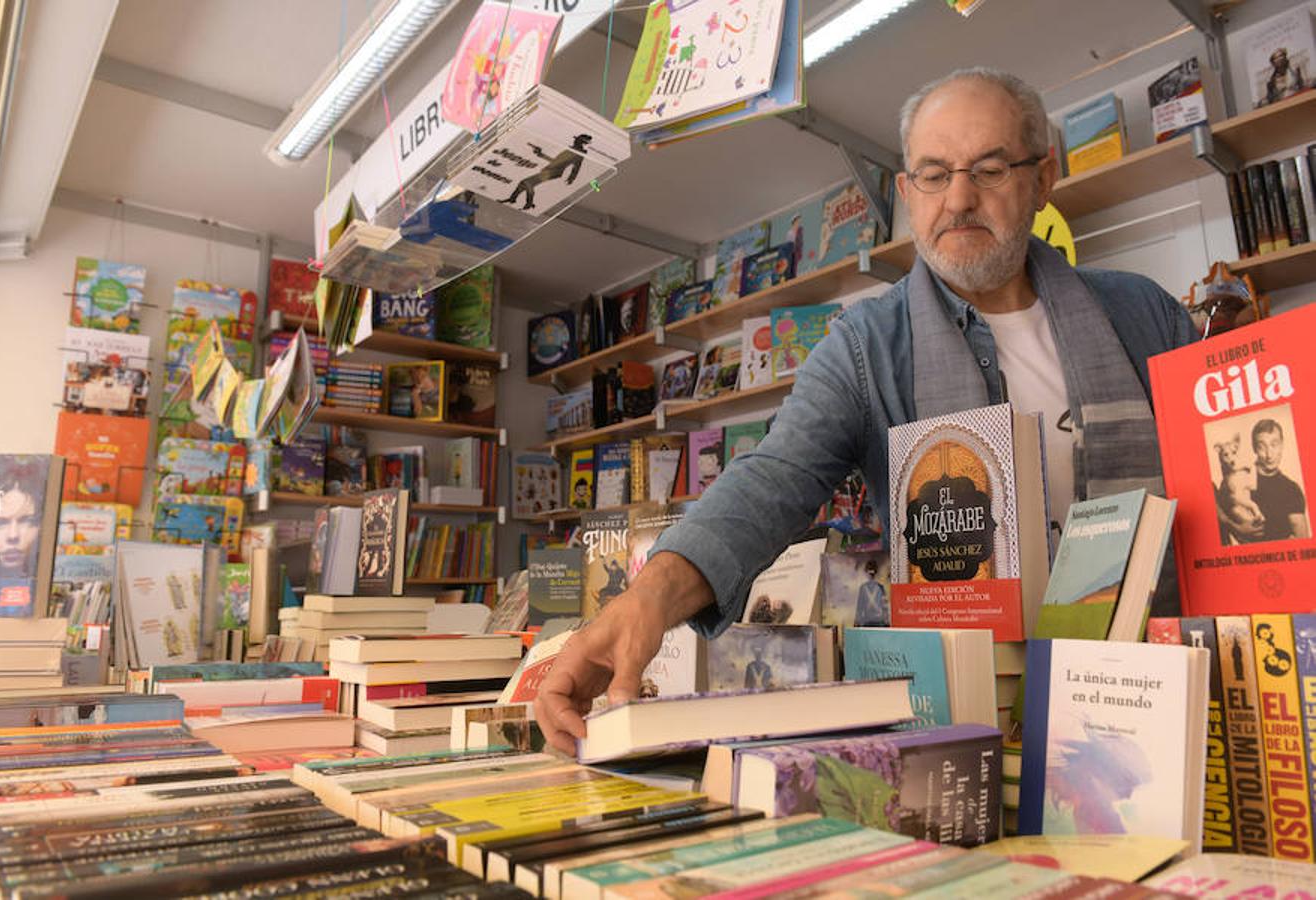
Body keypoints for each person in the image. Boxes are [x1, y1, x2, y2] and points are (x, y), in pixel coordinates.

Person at [535, 67, 1197, 753]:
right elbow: (772, 479)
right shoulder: (864, 348)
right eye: (935, 175)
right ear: (907, 193)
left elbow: (1225, 504)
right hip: (979, 725)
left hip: (1162, 699)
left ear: (1041, 179)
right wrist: (645, 598)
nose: (960, 198)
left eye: (991, 169)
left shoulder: (1140, 312)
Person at [1250, 418, 1309, 541]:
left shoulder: (1291, 489)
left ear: (1282, 445)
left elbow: (1302, 540)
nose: (1269, 454)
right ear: (1254, 449)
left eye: (1274, 445)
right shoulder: (1243, 483)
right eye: (1262, 447)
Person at [854, 558, 887, 626]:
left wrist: (857, 622)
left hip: (867, 621)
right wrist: (886, 622)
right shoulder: (881, 587)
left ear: (866, 572)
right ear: (876, 572)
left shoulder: (863, 588)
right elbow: (884, 607)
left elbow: (859, 608)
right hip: (879, 622)